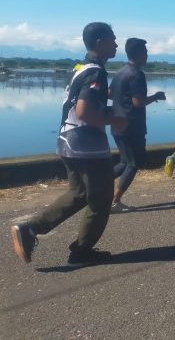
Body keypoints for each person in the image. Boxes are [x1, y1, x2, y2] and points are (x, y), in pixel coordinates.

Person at [11, 22, 127, 266]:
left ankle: (30, 230)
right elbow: (84, 111)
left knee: (79, 193)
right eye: (112, 40)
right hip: (86, 145)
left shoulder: (81, 67)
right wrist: (114, 119)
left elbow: (80, 104)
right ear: (99, 42)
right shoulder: (96, 72)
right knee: (101, 200)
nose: (116, 44)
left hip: (67, 139)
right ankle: (81, 252)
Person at [110, 38, 166, 210]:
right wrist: (156, 96)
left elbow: (110, 93)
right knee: (133, 164)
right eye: (146, 53)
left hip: (117, 123)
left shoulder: (120, 72)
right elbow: (138, 102)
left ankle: (98, 182)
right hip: (132, 126)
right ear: (141, 54)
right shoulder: (137, 74)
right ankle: (114, 201)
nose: (147, 56)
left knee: (125, 161)